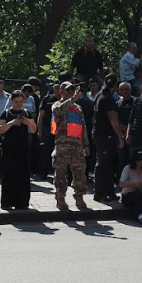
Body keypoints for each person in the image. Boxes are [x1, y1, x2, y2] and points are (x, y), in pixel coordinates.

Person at [51, 81, 90, 210]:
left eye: (72, 90)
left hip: (77, 145)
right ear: (61, 91)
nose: (70, 92)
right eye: (67, 90)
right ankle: (60, 198)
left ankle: (79, 197)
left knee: (80, 173)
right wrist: (72, 99)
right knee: (60, 173)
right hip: (63, 144)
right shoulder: (57, 104)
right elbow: (57, 112)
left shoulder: (78, 108)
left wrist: (86, 144)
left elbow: (82, 126)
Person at [0, 90, 36, 209]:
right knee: (8, 175)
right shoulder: (6, 113)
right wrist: (12, 123)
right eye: (16, 102)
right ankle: (7, 202)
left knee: (23, 175)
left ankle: (22, 203)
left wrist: (27, 122)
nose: (18, 104)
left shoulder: (27, 113)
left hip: (23, 148)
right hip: (9, 149)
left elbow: (33, 129)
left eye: (20, 102)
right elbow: (0, 129)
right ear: (12, 102)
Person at [92, 74, 123, 202]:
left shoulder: (99, 95)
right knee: (104, 164)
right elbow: (113, 119)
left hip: (98, 133)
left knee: (107, 163)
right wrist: (120, 135)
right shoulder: (108, 98)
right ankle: (99, 193)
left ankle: (109, 191)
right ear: (115, 86)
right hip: (104, 135)